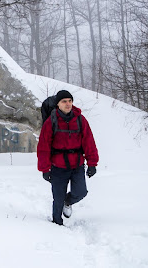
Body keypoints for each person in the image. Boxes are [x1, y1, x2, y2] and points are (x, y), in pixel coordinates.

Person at [37, 90, 99, 225]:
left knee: (81, 192)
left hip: (77, 165)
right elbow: (43, 146)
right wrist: (44, 168)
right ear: (58, 104)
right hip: (58, 166)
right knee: (57, 198)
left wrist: (92, 163)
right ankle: (56, 224)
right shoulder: (51, 121)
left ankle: (68, 201)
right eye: (64, 101)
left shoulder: (80, 120)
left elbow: (89, 142)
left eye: (70, 101)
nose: (68, 104)